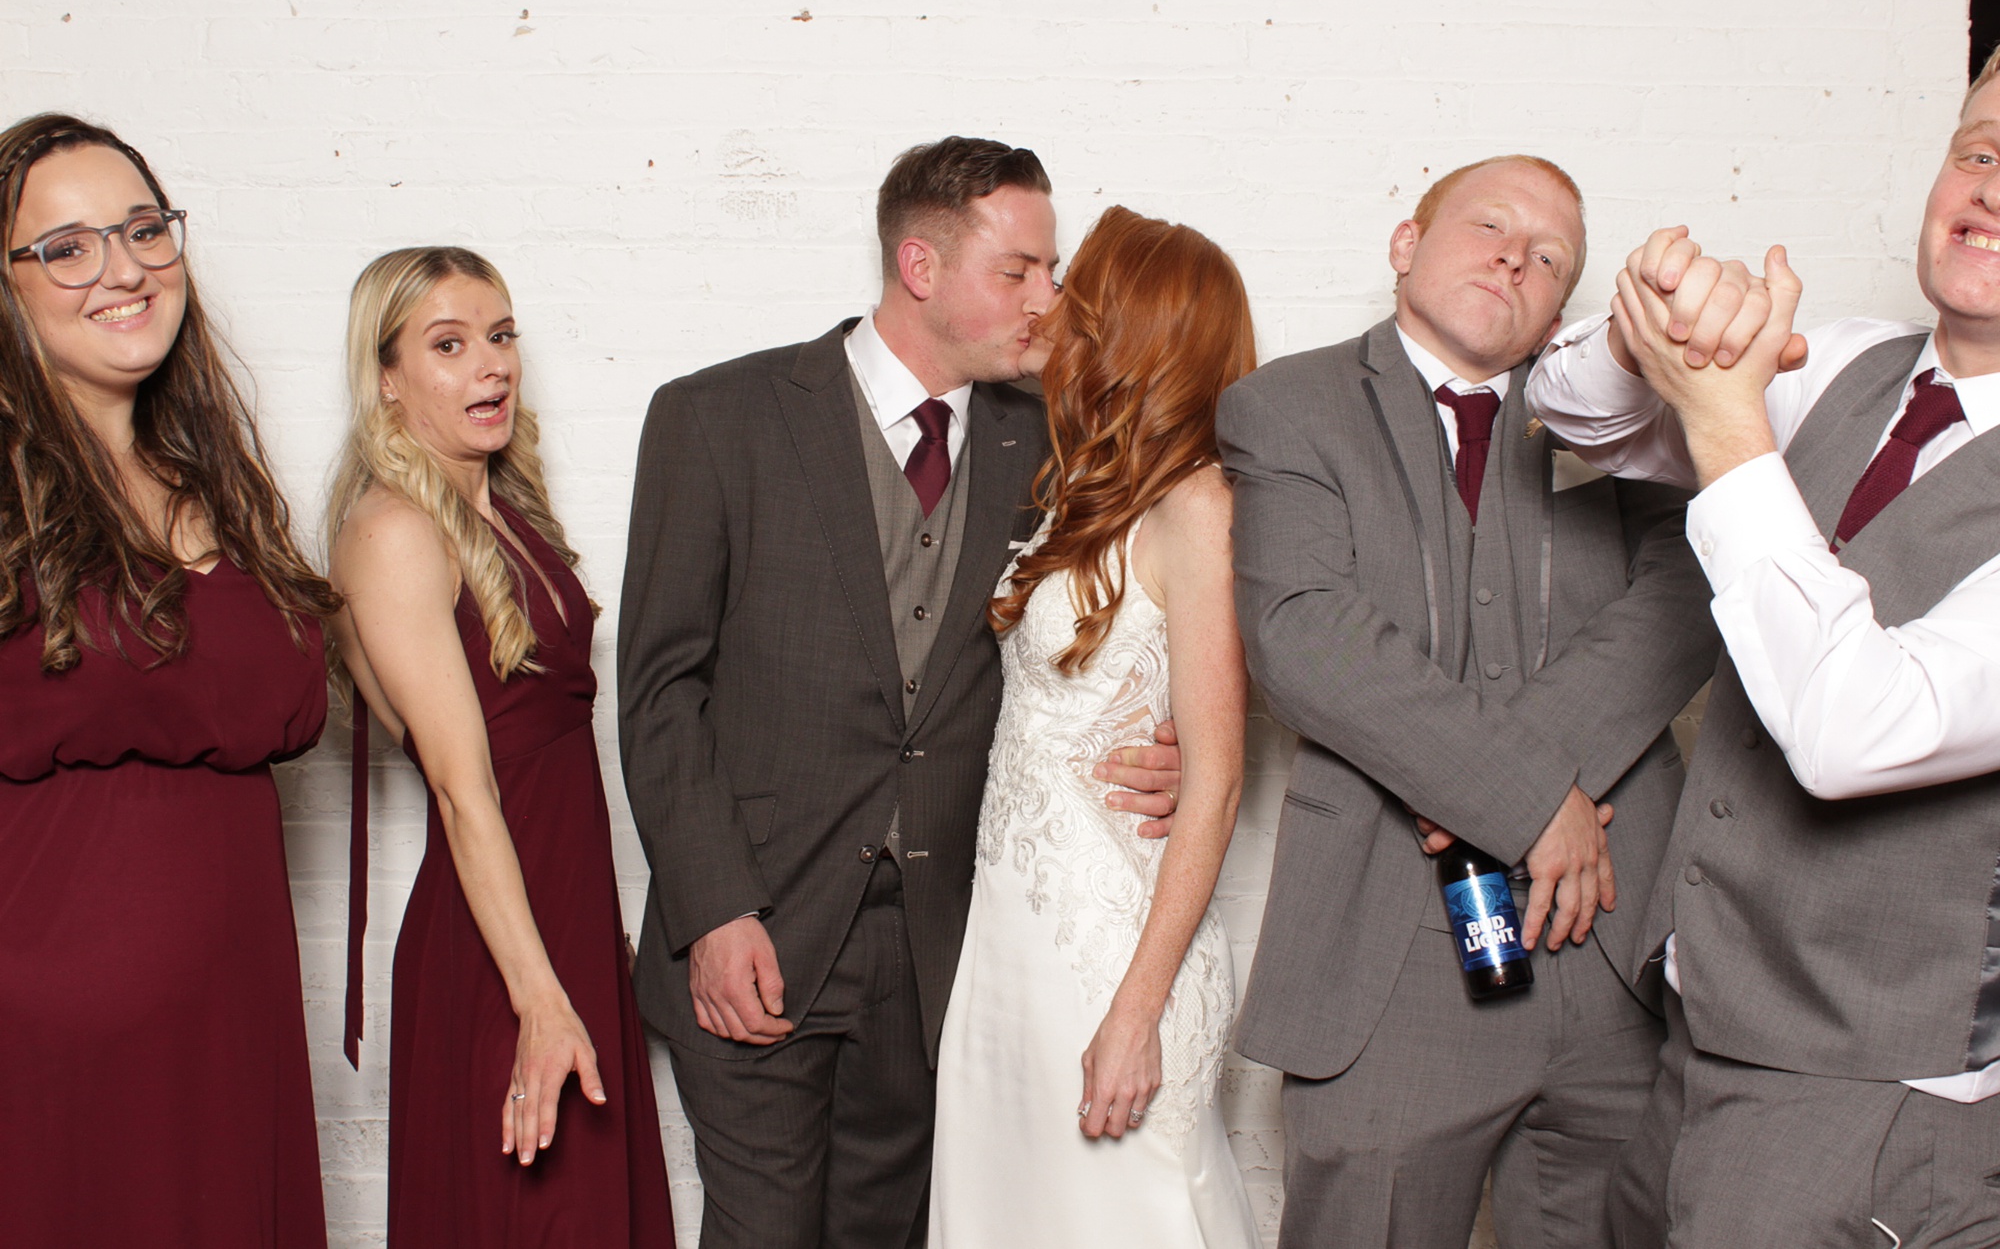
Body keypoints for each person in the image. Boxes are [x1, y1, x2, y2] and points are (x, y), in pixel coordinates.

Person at [618, 138, 1183, 1247]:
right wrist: (714, 908)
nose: (1046, 299)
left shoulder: (1048, 444)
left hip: (941, 949)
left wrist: (1151, 747)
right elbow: (656, 690)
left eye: (1051, 269)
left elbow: (1095, 639)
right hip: (758, 925)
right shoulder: (717, 417)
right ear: (918, 266)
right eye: (1017, 270)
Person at [1523, 50, 2000, 1249]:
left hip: (1864, 1092)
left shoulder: (1772, 396)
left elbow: (1852, 729)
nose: (1989, 190)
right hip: (1692, 1037)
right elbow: (1571, 408)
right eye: (1980, 151)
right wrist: (1650, 328)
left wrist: (1725, 414)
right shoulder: (1842, 362)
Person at [1218, 155, 1721, 1247]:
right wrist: (1534, 797)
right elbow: (1304, 635)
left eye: (1550, 258)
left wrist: (1530, 788)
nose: (1515, 256)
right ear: (1405, 244)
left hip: (1607, 949)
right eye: (1489, 225)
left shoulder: (1620, 424)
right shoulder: (1285, 407)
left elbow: (1686, 596)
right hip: (1387, 962)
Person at [0, 113, 334, 1246]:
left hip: (229, 1025)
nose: (124, 268)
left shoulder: (220, 485)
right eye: (68, 248)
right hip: (42, 1044)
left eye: (143, 229)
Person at [929, 206, 1261, 1248]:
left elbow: (1214, 777)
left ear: (1131, 328)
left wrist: (1135, 1012)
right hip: (1016, 935)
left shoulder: (1193, 503)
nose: (1051, 304)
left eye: (1077, 290)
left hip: (1111, 945)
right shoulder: (1085, 482)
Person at [327, 247, 672, 1246]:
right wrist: (538, 995)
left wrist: (586, 941)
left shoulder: (503, 512)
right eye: (449, 344)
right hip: (498, 949)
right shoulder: (393, 530)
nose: (492, 364)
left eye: (501, 335)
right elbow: (460, 787)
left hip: (558, 915)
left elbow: (556, 761)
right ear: (386, 377)